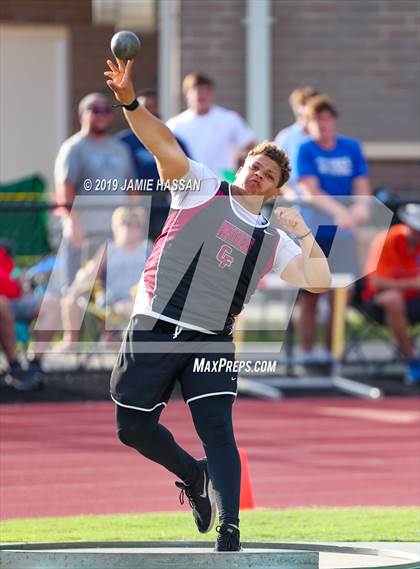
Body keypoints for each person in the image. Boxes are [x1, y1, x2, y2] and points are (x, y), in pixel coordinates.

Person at [104, 56, 331, 551]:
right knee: (132, 427)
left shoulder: (274, 237)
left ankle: (230, 527)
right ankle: (193, 476)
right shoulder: (202, 184)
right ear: (243, 164)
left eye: (268, 175)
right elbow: (160, 140)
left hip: (211, 338)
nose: (257, 176)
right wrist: (129, 102)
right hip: (156, 325)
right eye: (255, 166)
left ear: (275, 190)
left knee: (218, 429)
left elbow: (319, 280)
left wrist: (304, 231)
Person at [296, 95, 371, 363]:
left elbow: (361, 184)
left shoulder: (351, 147)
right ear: (308, 123)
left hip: (346, 232)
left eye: (327, 119)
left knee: (343, 292)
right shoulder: (306, 149)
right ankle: (308, 353)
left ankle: (332, 353)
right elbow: (309, 190)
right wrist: (340, 212)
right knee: (313, 292)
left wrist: (361, 208)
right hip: (318, 231)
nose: (323, 124)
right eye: (317, 119)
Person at [53, 92, 136, 291]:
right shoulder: (74, 147)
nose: (101, 115)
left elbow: (131, 188)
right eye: (95, 110)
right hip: (85, 234)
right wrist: (72, 224)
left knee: (114, 293)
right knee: (78, 290)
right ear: (82, 114)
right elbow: (66, 187)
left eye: (106, 110)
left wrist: (135, 223)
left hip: (116, 234)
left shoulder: (120, 148)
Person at [59, 207, 152, 348]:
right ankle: (74, 342)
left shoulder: (148, 247)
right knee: (131, 308)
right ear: (116, 227)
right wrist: (73, 291)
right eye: (125, 223)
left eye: (134, 224)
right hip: (115, 301)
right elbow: (89, 275)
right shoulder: (109, 249)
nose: (129, 229)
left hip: (142, 298)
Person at [117, 89, 191, 239]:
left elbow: (188, 171)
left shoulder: (173, 141)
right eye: (144, 108)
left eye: (153, 107)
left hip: (164, 202)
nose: (149, 111)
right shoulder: (122, 142)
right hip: (133, 203)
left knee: (162, 242)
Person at [362, 203, 420, 384]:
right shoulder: (386, 240)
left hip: (414, 300)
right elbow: (377, 283)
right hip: (379, 303)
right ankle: (411, 361)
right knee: (393, 299)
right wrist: (411, 284)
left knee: (395, 295)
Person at [167, 73, 255, 180]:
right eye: (197, 90)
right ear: (187, 95)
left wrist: (241, 174)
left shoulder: (229, 119)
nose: (202, 94)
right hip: (190, 188)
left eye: (206, 90)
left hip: (222, 186)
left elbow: (252, 147)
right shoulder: (175, 125)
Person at [0, 241, 42, 390]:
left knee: (49, 305)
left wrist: (25, 286)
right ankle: (14, 365)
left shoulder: (2, 254)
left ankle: (36, 363)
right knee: (2, 303)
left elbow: (16, 272)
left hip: (17, 301)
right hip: (2, 304)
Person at [274, 86, 319, 201]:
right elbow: (276, 170)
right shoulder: (286, 137)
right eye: (302, 105)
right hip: (297, 201)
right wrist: (288, 192)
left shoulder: (325, 136)